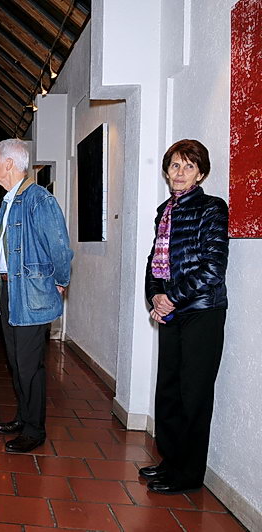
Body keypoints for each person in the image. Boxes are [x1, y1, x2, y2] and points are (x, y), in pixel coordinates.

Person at [140, 139, 229, 495]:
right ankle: (171, 461)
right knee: (169, 392)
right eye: (175, 165)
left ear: (201, 174)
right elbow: (155, 264)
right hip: (172, 313)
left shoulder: (212, 208)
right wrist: (154, 296)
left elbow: (213, 269)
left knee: (193, 396)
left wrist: (171, 298)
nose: (179, 172)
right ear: (167, 171)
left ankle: (188, 474)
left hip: (202, 313)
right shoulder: (165, 210)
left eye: (188, 166)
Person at [0, 139, 73, 453]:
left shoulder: (39, 199)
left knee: (29, 365)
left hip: (32, 294)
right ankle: (23, 417)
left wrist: (60, 281)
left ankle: (35, 430)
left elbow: (60, 247)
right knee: (15, 361)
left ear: (9, 164)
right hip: (9, 290)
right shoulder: (9, 201)